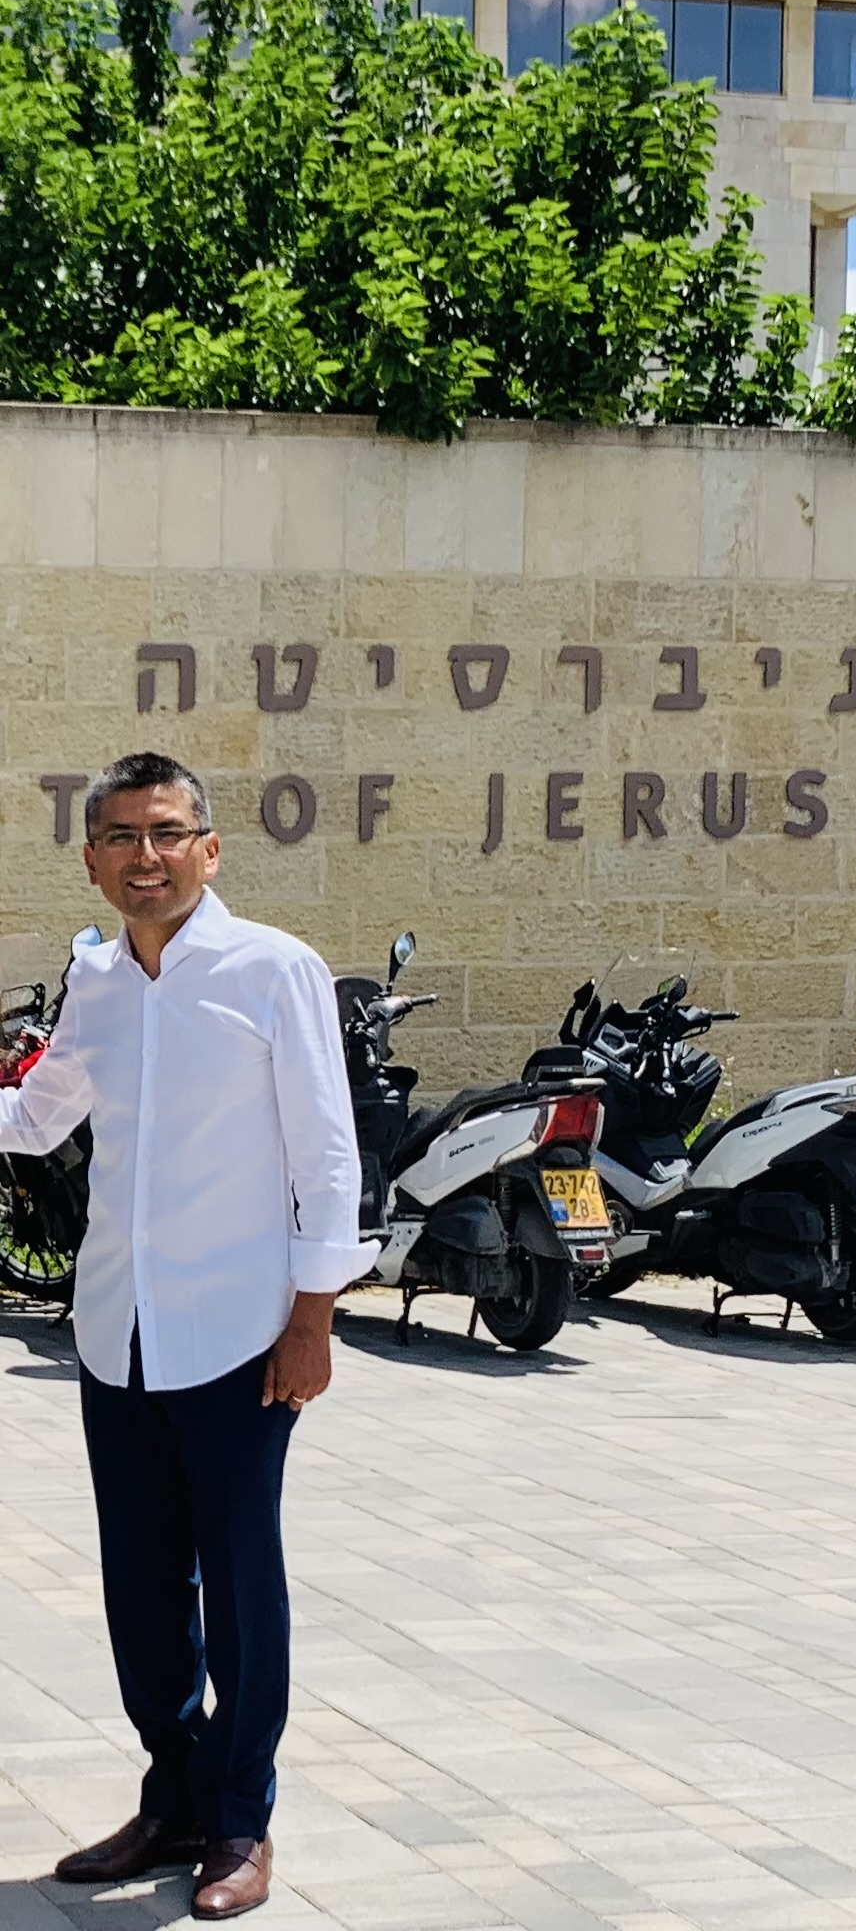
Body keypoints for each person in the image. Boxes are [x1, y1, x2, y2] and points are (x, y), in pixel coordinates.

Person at [0, 752, 377, 1920]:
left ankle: (239, 1819)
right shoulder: (98, 977)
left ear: (209, 849)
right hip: (115, 1332)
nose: (144, 857)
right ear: (92, 859)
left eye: (166, 833)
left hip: (237, 1336)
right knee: (140, 1583)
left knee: (241, 1579)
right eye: (120, 837)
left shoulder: (273, 970)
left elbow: (325, 1156)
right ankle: (171, 1793)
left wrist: (312, 1317)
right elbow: (42, 1110)